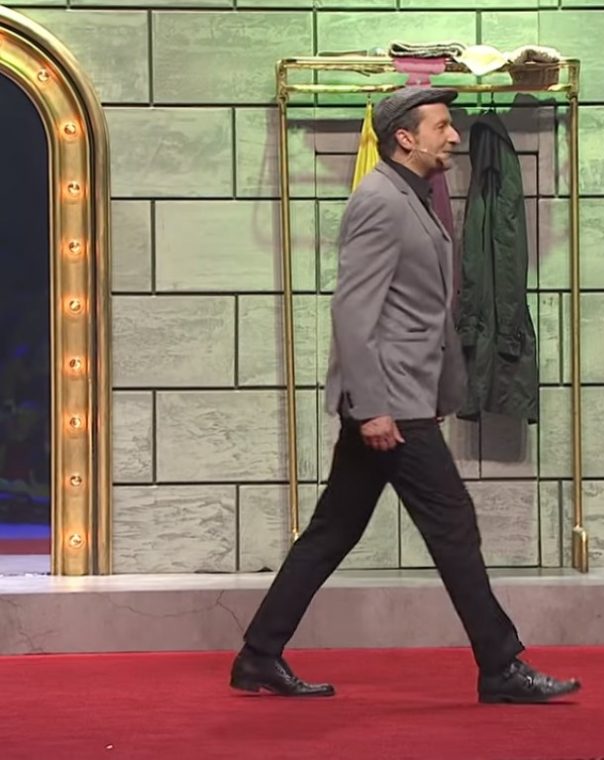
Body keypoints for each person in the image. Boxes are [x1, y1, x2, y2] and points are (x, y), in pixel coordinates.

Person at [230, 87, 580, 704]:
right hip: (390, 404)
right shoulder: (379, 201)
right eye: (442, 126)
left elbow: (419, 310)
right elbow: (353, 311)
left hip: (402, 397)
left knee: (333, 530)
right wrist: (372, 407)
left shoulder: (410, 196)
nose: (454, 136)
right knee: (453, 524)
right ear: (405, 137)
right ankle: (500, 666)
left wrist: (437, 387)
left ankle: (259, 654)